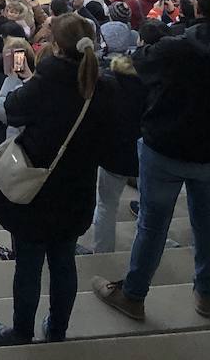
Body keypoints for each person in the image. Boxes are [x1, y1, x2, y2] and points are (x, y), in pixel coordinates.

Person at [93, 0, 210, 323]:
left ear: (199, 10)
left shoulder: (176, 48)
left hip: (166, 149)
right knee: (209, 224)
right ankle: (207, 291)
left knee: (152, 226)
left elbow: (134, 64)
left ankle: (134, 295)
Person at [0, 15, 116, 345]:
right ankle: (57, 329)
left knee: (28, 267)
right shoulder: (103, 85)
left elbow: (10, 111)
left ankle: (21, 332)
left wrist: (17, 80)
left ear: (57, 46)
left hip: (38, 190)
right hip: (78, 188)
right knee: (64, 262)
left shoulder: (45, 81)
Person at [91, 20, 146, 254]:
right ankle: (151, 247)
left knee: (106, 206)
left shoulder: (103, 80)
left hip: (113, 154)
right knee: (150, 206)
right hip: (145, 152)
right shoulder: (149, 75)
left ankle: (102, 253)